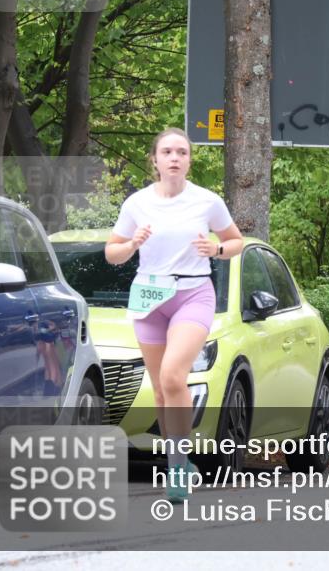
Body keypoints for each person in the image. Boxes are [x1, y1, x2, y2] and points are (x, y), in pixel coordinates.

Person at [105, 127, 244, 502]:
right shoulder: (137, 203)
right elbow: (111, 253)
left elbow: (236, 242)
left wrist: (215, 249)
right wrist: (132, 244)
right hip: (149, 295)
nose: (174, 158)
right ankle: (177, 461)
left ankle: (177, 465)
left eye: (181, 152)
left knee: (173, 375)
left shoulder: (206, 201)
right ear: (155, 159)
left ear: (189, 160)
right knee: (163, 391)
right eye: (167, 152)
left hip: (193, 293)